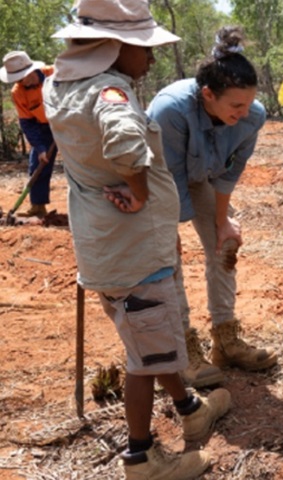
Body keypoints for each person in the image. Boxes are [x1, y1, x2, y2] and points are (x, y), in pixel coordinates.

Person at [43, 0, 230, 477]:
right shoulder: (109, 90)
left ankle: (190, 411)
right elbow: (126, 145)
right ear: (114, 47)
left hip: (102, 243)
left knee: (152, 339)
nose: (150, 60)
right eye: (143, 50)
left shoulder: (57, 86)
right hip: (135, 251)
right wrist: (142, 192)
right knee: (143, 357)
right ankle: (142, 456)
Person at [147, 26, 274, 388]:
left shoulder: (253, 116)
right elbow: (167, 178)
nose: (244, 112)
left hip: (200, 177)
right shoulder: (171, 110)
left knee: (226, 243)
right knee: (167, 260)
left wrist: (223, 222)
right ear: (207, 94)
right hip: (157, 182)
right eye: (236, 105)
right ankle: (183, 349)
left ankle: (226, 339)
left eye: (248, 103)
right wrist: (169, 231)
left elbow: (229, 173)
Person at [1, 51, 57, 218]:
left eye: (21, 77)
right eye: (16, 79)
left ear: (31, 70)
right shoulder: (17, 92)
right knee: (37, 165)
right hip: (43, 128)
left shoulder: (55, 73)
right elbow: (27, 122)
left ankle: (88, 204)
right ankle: (38, 206)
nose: (19, 82)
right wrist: (40, 148)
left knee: (78, 163)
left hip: (70, 124)